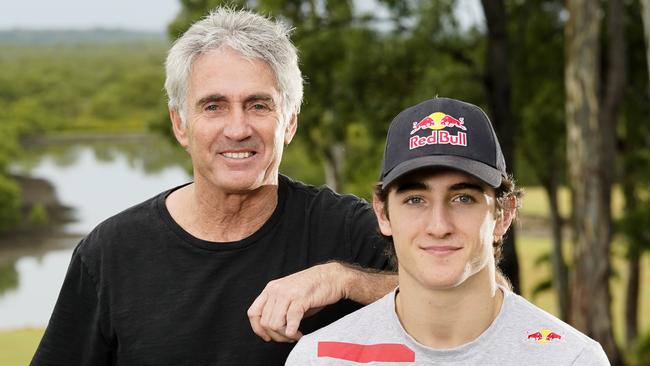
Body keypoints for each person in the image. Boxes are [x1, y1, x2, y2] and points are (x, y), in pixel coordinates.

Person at [30, 8, 398, 366]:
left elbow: (452, 302)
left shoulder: (347, 231)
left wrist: (344, 279)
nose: (237, 129)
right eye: (213, 106)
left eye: (258, 105)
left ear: (288, 123)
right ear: (179, 125)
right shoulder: (110, 254)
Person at [286, 97, 610, 365]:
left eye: (463, 198)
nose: (439, 226)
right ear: (383, 213)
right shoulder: (320, 358)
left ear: (503, 214)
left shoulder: (570, 358)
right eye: (415, 199)